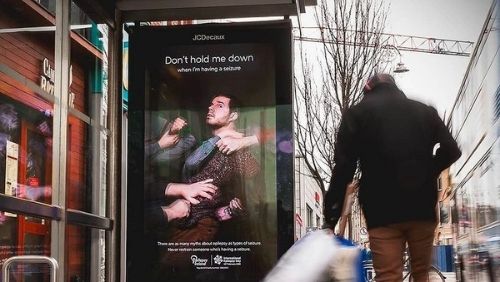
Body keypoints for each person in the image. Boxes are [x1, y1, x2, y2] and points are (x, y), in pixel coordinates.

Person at [324, 73, 462, 282]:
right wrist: (427, 171)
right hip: (421, 208)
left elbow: (344, 167)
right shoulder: (425, 111)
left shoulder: (356, 114)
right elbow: (452, 150)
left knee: (388, 276)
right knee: (420, 275)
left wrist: (330, 217)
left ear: (367, 90)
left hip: (381, 210)